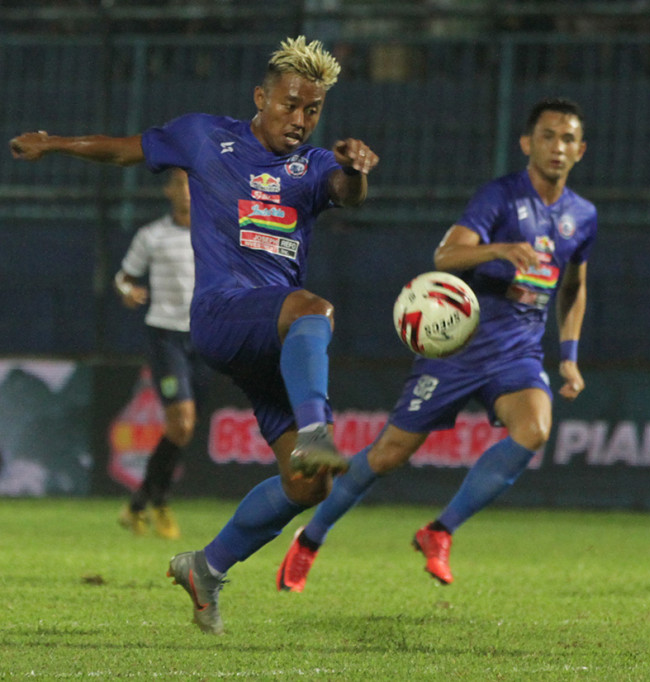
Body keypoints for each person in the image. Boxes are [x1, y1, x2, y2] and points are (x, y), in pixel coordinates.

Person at [10, 36, 380, 635]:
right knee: (315, 308)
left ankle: (206, 568)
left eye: (312, 110)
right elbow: (123, 151)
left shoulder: (313, 167)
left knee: (310, 484)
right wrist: (54, 143)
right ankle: (316, 430)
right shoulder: (207, 137)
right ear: (261, 97)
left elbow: (346, 194)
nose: (300, 119)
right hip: (219, 314)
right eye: (289, 104)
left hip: (271, 337)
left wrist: (356, 172)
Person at [276, 97, 595, 593]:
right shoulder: (500, 197)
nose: (558, 147)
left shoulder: (583, 215)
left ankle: (439, 531)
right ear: (528, 144)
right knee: (386, 456)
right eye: (549, 136)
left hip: (519, 351)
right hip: (459, 347)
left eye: (568, 138)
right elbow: (446, 255)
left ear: (581, 150)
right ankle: (310, 539)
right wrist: (498, 250)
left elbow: (574, 286)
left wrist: (569, 358)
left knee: (534, 428)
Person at [115, 167, 212, 540]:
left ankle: (138, 504)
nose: (187, 191)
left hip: (205, 339)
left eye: (193, 184)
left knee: (181, 430)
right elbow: (125, 276)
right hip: (166, 337)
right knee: (182, 423)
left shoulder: (214, 233)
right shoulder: (151, 236)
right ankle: (161, 502)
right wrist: (127, 290)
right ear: (169, 190)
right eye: (180, 184)